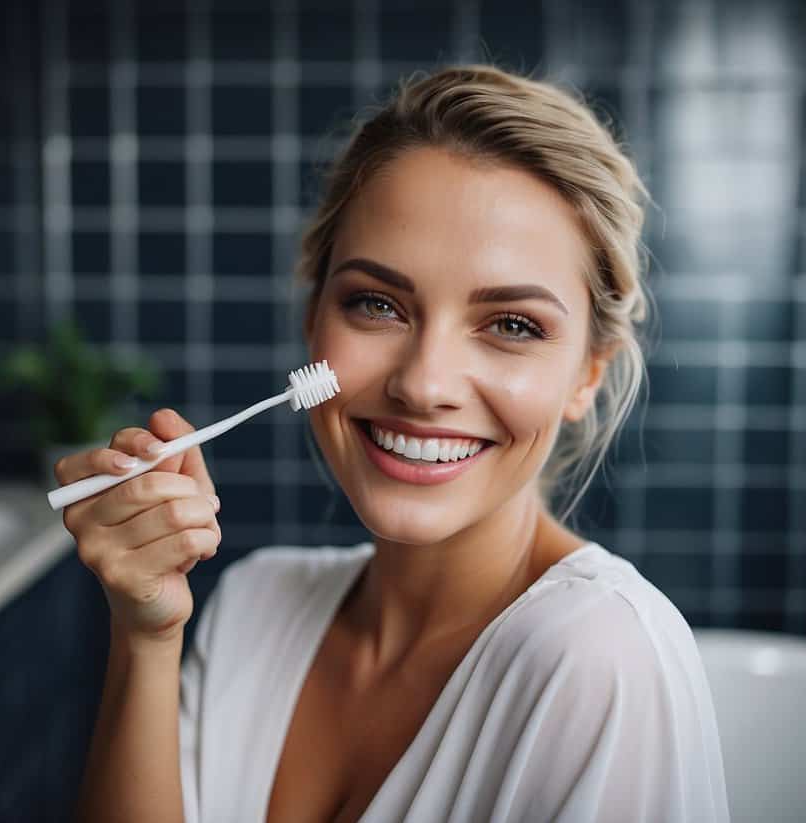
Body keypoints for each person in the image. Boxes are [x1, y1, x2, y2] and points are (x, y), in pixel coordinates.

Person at [63, 63, 730, 823]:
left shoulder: (601, 659)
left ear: (586, 374)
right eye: (377, 304)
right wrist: (144, 638)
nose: (424, 382)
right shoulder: (253, 603)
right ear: (315, 323)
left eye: (512, 324)